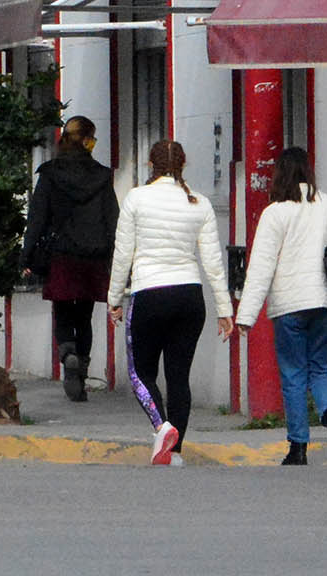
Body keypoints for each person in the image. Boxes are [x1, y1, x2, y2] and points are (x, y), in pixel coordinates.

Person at [232, 145, 327, 465]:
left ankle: (298, 447)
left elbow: (261, 267)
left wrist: (246, 315)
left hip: (289, 305)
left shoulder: (275, 213)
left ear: (279, 175)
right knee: (320, 370)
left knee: (292, 374)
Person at [106, 138, 230, 466]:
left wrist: (114, 298)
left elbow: (123, 254)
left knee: (140, 372)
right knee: (178, 378)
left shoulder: (136, 198)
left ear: (151, 165)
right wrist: (224, 308)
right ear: (183, 166)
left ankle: (162, 428)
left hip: (149, 295)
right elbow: (213, 261)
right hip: (190, 298)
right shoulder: (199, 203)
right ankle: (174, 453)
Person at [23, 115, 119, 403]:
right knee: (85, 316)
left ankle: (67, 354)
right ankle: (83, 367)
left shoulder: (50, 174)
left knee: (63, 311)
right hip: (93, 256)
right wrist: (116, 256)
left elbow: (37, 218)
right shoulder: (102, 176)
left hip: (61, 255)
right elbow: (112, 219)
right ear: (89, 141)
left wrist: (27, 255)